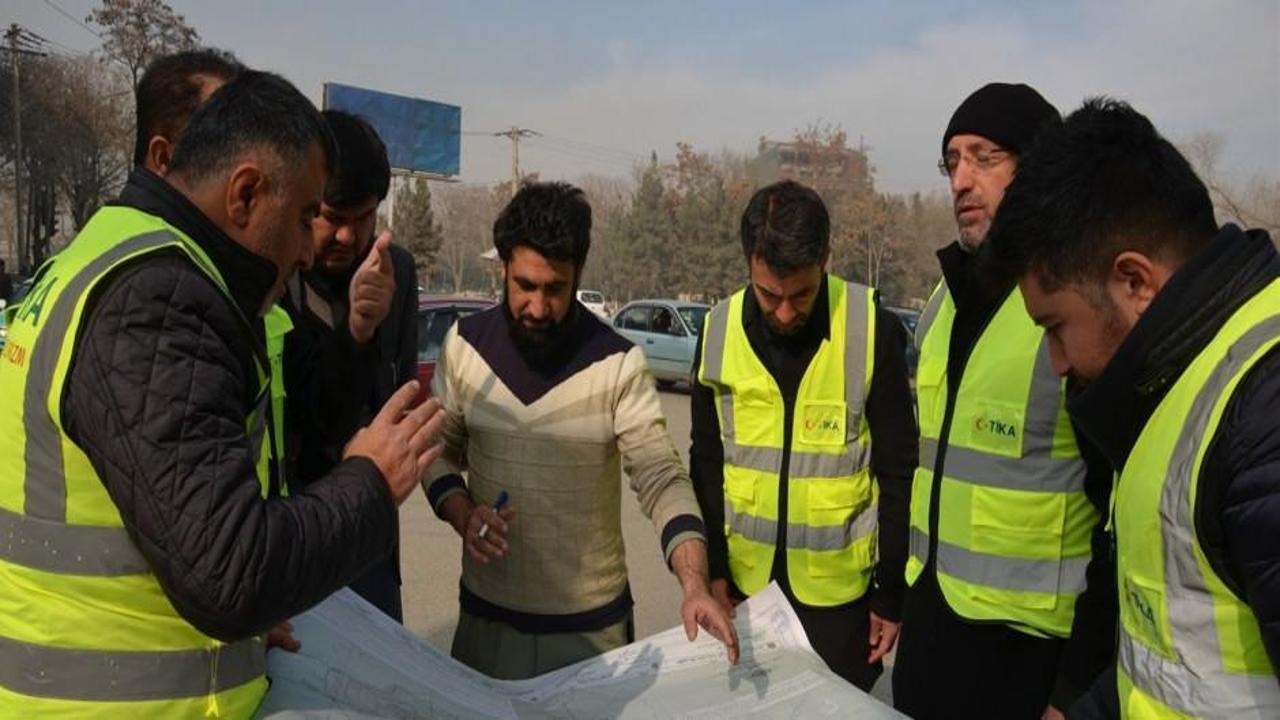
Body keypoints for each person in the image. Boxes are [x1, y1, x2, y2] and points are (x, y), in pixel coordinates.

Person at [0, 70, 443, 717]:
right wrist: (371, 480)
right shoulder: (160, 298)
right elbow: (230, 572)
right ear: (245, 193)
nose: (305, 251)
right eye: (305, 218)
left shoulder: (106, 256)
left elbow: (167, 526)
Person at [989, 97, 1280, 719]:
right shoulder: (1180, 384)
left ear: (1135, 282)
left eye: (1055, 326)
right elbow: (1166, 667)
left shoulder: (1263, 414)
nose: (1055, 362)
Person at [423, 181, 738, 679]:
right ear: (502, 268)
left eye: (555, 289)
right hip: (486, 624)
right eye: (525, 285)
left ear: (578, 276)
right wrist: (463, 513)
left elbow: (660, 475)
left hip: (592, 636)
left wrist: (694, 584)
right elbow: (436, 449)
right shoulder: (464, 345)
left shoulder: (617, 362)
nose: (538, 307)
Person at [891, 83, 1116, 720]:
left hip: (1030, 661)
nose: (961, 180)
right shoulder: (940, 305)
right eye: (951, 162)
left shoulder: (1075, 311)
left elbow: (1120, 518)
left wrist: (1075, 687)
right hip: (932, 637)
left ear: (1038, 169)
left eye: (984, 158)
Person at [688, 180, 916, 691]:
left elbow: (899, 471)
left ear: (825, 258)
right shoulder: (717, 332)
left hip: (841, 606)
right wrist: (715, 571)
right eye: (770, 295)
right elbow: (705, 463)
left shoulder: (871, 330)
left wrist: (890, 594)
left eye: (802, 295)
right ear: (748, 262)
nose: (786, 312)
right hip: (744, 591)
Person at [281, 109, 419, 621]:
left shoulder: (396, 270)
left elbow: (399, 391)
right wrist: (356, 332)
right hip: (294, 528)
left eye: (364, 218)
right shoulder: (278, 272)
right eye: (332, 217)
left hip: (371, 533)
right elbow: (305, 411)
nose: (347, 236)